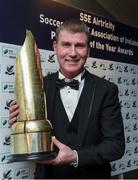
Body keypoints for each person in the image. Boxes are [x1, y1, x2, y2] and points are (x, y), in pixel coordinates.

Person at [9, 19, 125, 179]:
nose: (73, 53)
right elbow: (30, 140)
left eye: (80, 45)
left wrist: (75, 156)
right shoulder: (38, 88)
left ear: (88, 50)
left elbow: (115, 146)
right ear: (55, 47)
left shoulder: (107, 90)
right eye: (66, 45)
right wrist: (21, 124)